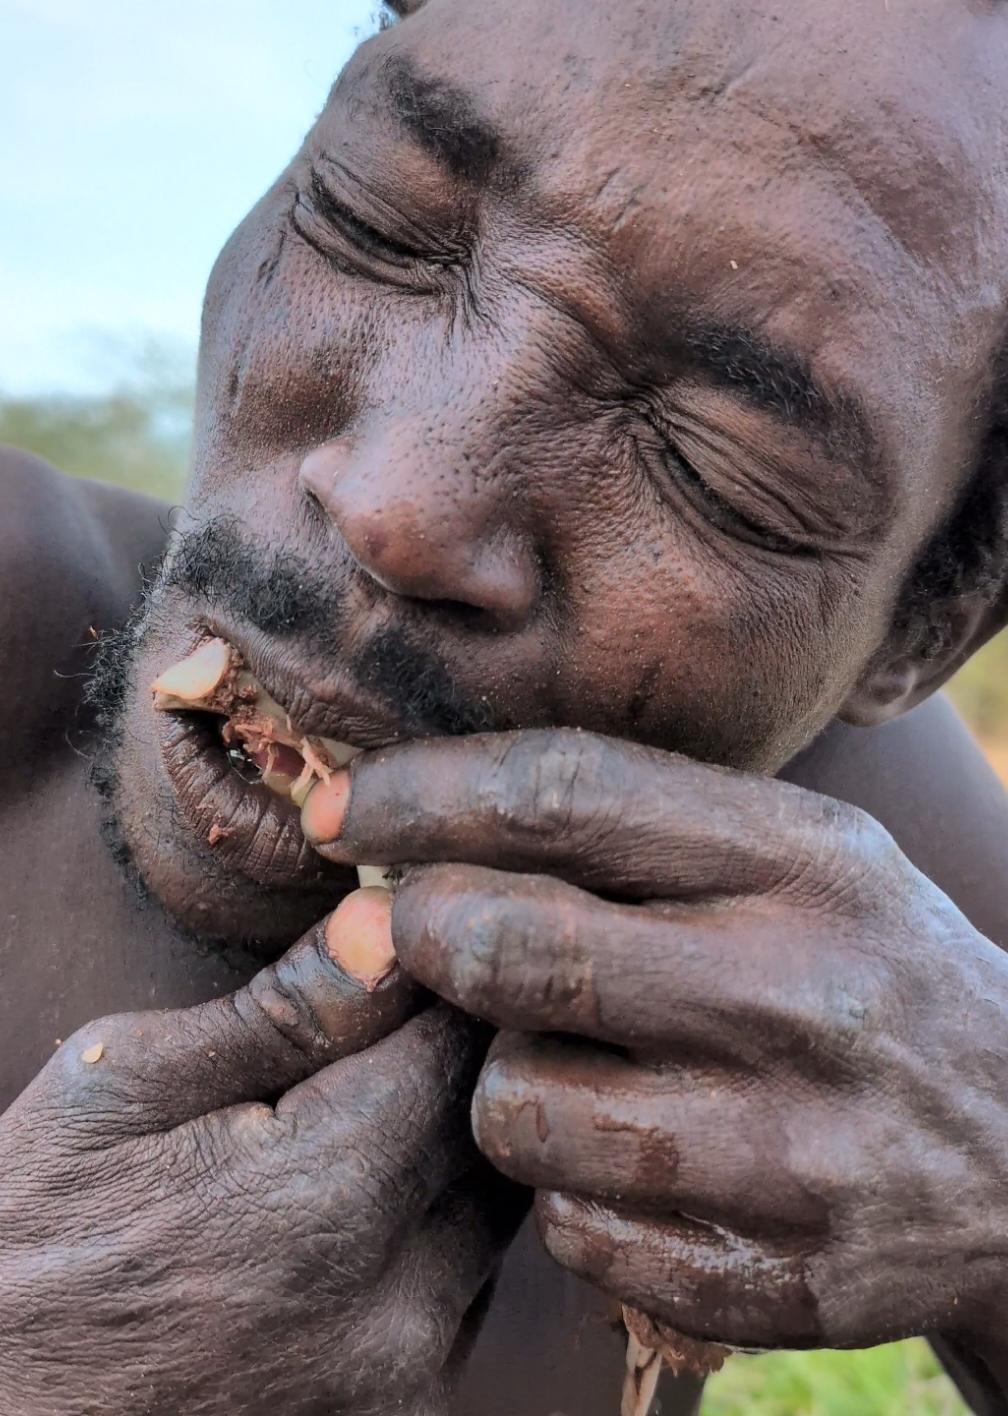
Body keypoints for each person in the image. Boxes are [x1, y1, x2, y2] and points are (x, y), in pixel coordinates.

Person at [2, 0, 1007, 1411]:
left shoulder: (842, 861)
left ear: (916, 628)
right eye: (374, 224)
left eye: (713, 467)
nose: (397, 506)